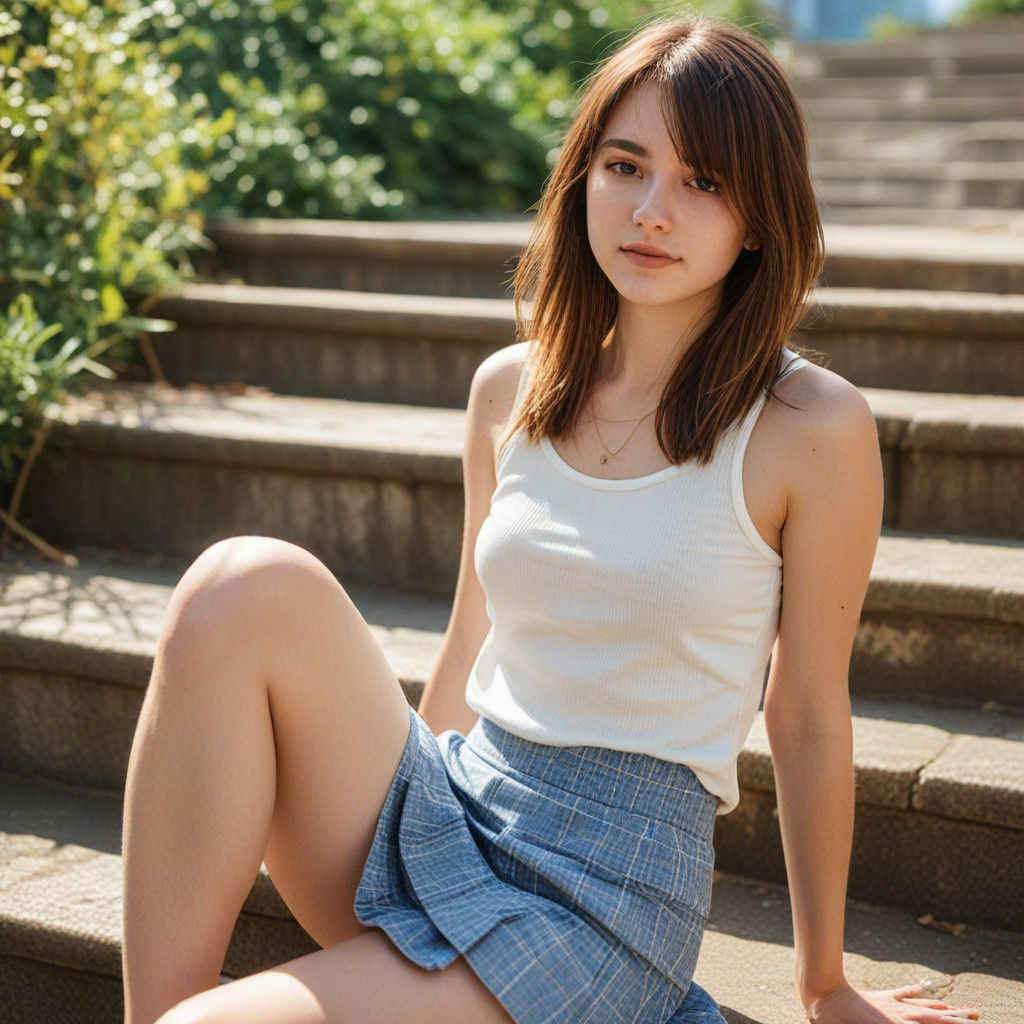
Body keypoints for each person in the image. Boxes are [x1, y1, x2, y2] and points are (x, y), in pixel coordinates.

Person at [120, 12, 982, 1024]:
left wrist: (824, 984)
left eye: (702, 182)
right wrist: (412, 831)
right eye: (625, 165)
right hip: (458, 801)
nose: (651, 210)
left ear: (759, 216)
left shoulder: (809, 426)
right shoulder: (508, 389)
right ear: (583, 177)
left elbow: (805, 715)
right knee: (239, 582)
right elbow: (469, 637)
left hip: (602, 898)